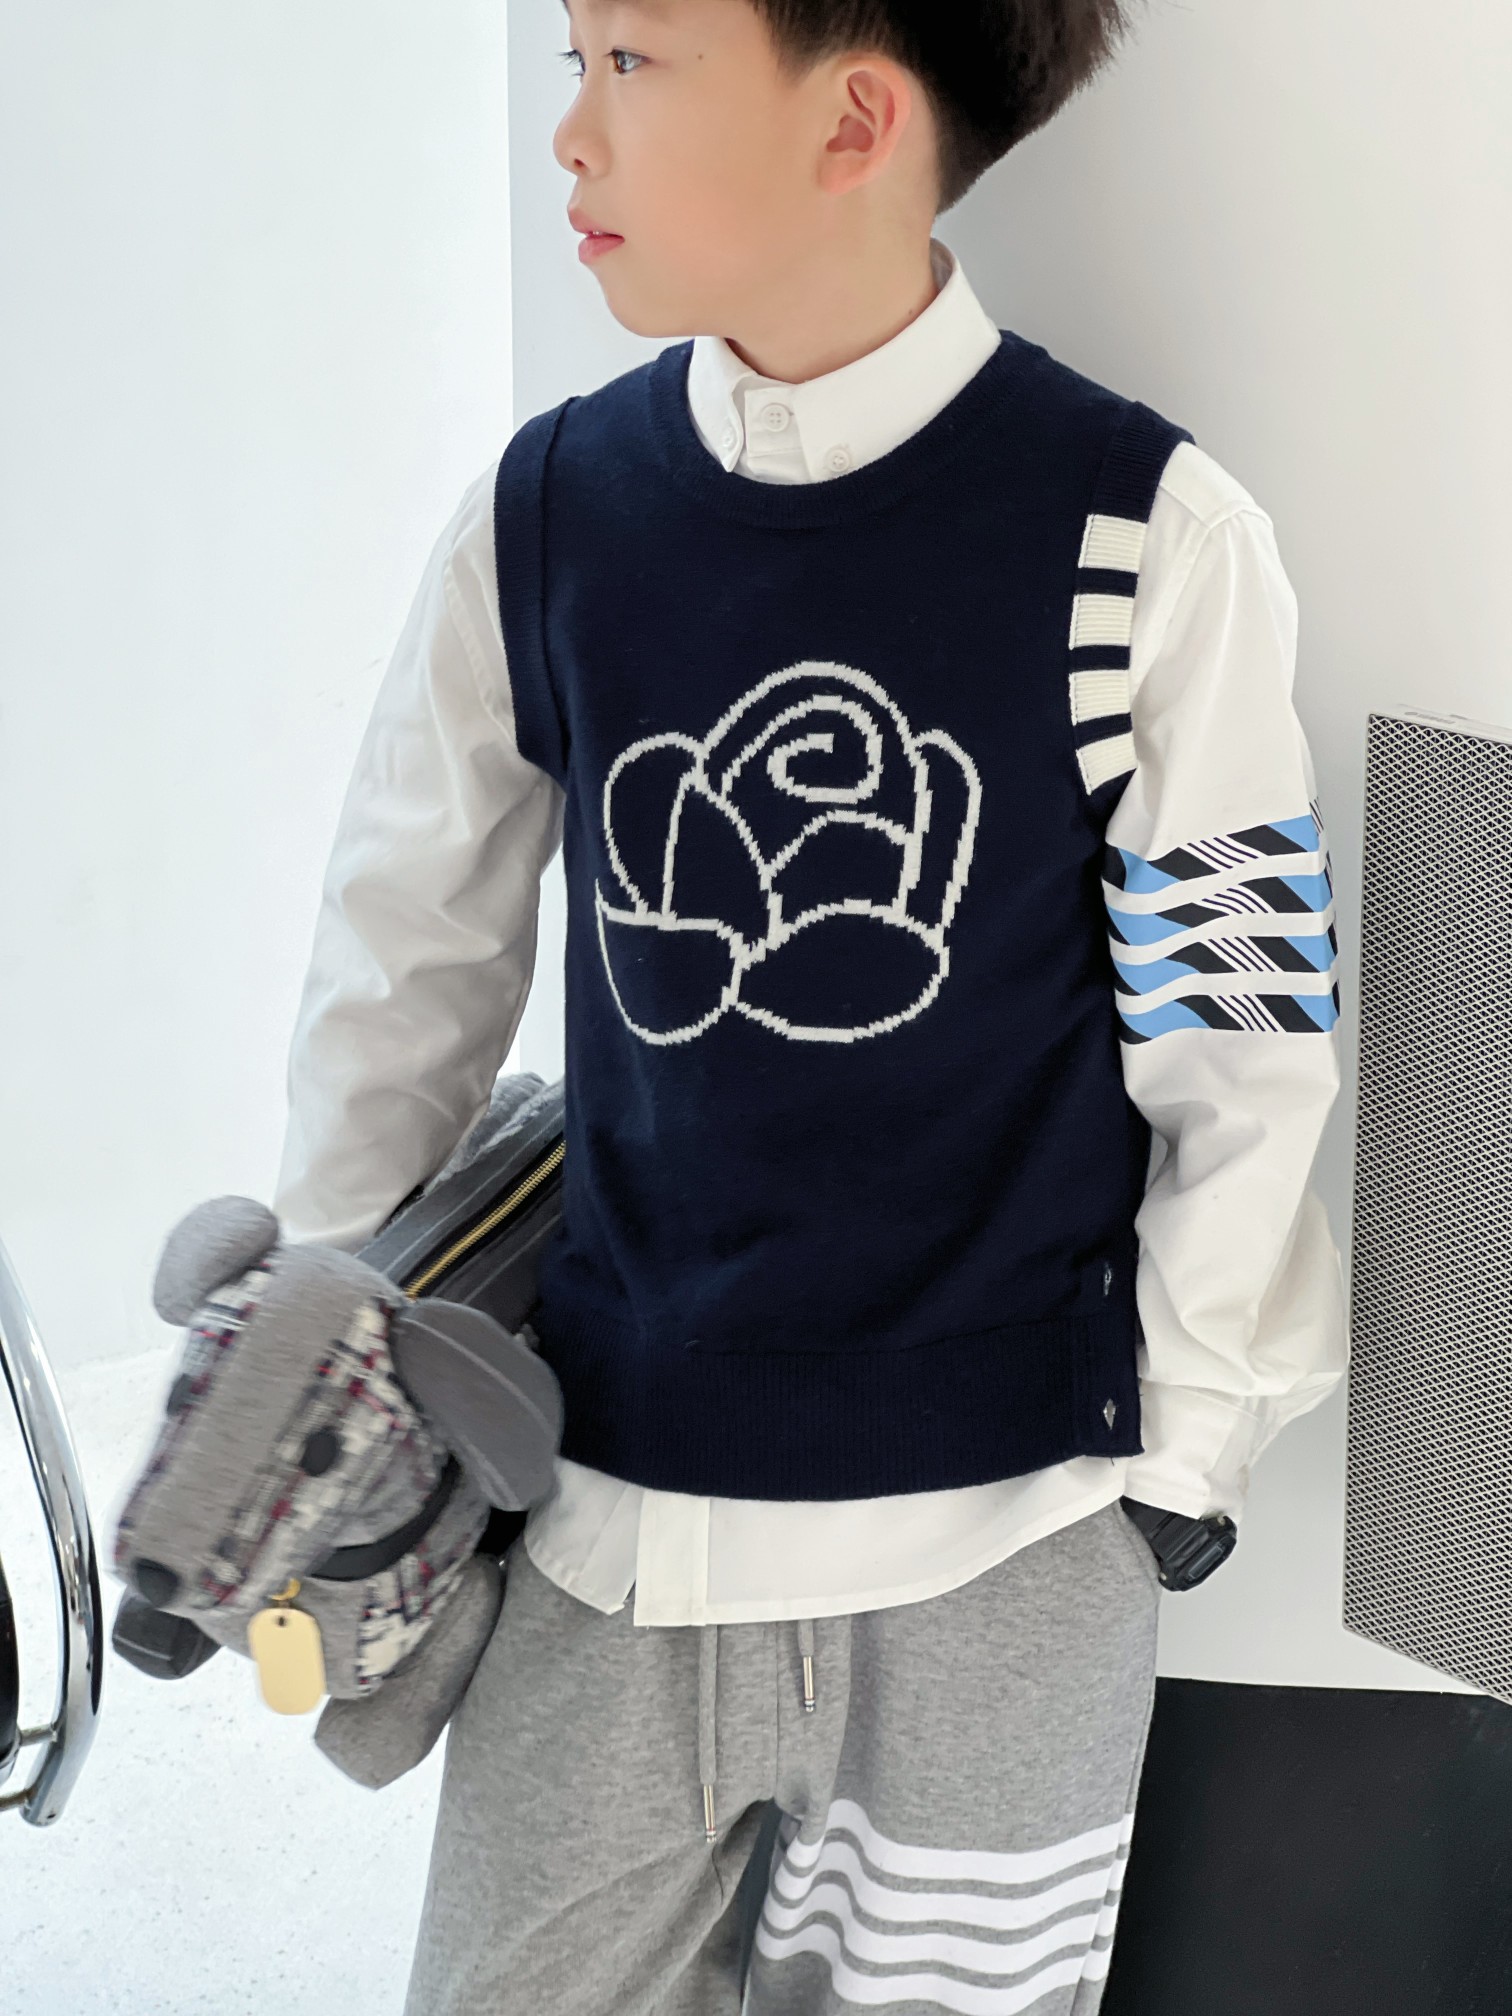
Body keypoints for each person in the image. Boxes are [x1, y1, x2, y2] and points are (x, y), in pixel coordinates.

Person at [271, 3, 1349, 2009]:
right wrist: (314, 1345)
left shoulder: (1146, 534)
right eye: (572, 60)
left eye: (634, 61)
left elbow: (1241, 1029)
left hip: (1007, 1545)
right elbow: (405, 961)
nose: (571, 131)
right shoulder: (544, 517)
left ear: (854, 119)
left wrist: (1185, 1454)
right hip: (610, 1518)